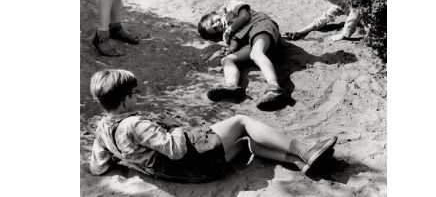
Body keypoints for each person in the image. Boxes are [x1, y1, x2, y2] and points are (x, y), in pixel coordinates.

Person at [89, 69, 338, 182]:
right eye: (134, 93)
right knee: (242, 122)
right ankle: (305, 150)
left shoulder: (103, 130)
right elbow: (177, 149)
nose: (137, 96)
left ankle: (298, 163)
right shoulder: (135, 124)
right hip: (193, 160)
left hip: (186, 174)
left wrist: (124, 156)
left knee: (245, 143)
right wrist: (173, 125)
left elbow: (98, 168)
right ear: (123, 100)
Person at [198, 0, 288, 110]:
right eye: (215, 29)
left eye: (213, 21)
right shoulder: (226, 36)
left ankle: (274, 87)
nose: (217, 25)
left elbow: (244, 16)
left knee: (256, 54)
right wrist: (226, 52)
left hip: (260, 26)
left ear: (213, 14)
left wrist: (230, 30)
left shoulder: (231, 7)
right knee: (227, 60)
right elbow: (234, 46)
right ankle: (232, 86)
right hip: (251, 42)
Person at [285, 0, 360, 41]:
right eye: (330, 0)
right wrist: (299, 32)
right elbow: (322, 20)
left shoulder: (353, 0)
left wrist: (343, 35)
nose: (334, 2)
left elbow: (353, 15)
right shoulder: (338, 4)